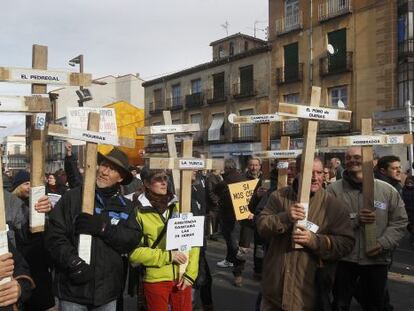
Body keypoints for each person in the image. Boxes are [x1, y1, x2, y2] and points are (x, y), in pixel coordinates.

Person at [45, 147, 142, 310]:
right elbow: (54, 235)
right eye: (104, 165)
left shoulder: (126, 206)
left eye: (112, 169)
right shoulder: (73, 197)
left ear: (121, 177)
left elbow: (131, 239)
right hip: (73, 290)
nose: (105, 171)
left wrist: (103, 229)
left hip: (107, 294)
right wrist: (73, 262)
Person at [257, 155, 355, 310]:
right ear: (297, 172)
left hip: (309, 296)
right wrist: (285, 217)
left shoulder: (334, 206)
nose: (315, 178)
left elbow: (346, 244)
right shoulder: (278, 197)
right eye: (310, 172)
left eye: (319, 173)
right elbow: (262, 226)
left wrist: (315, 241)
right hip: (275, 292)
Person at [328, 147, 408, 311]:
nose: (352, 160)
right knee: (340, 305)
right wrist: (355, 220)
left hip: (376, 259)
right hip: (344, 259)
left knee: (375, 305)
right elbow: (326, 221)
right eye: (348, 157)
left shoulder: (387, 190)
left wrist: (383, 243)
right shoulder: (333, 191)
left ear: (372, 162)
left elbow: (399, 222)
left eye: (357, 157)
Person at [129, 167, 200, 311]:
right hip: (156, 279)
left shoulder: (180, 206)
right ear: (147, 184)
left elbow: (193, 241)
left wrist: (191, 274)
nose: (164, 183)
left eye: (165, 178)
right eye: (158, 179)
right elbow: (134, 253)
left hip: (182, 277)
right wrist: (168, 256)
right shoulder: (137, 211)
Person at [11, 170, 55, 311]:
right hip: (23, 261)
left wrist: (48, 212)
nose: (29, 187)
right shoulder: (13, 206)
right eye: (26, 183)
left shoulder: (38, 202)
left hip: (40, 263)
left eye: (31, 183)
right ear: (17, 187)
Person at [214, 159, 247, 286]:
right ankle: (230, 260)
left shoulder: (230, 178)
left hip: (231, 215)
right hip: (234, 214)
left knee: (233, 241)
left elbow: (218, 188)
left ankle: (236, 269)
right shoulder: (240, 176)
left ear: (227, 168)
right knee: (231, 239)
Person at [191, 171, 213, 311]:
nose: (194, 170)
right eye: (191, 166)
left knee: (204, 278)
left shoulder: (198, 184)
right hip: (186, 242)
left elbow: (203, 206)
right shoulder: (173, 187)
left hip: (199, 240)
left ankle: (206, 305)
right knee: (195, 279)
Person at [205, 170, 222, 240]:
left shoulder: (217, 177)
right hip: (213, 203)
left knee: (216, 219)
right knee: (213, 219)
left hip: (217, 202)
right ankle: (212, 234)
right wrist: (215, 201)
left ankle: (214, 234)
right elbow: (210, 191)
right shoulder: (211, 178)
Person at [402, 176, 414, 248]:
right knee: (408, 226)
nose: (409, 184)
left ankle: (412, 242)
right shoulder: (403, 189)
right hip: (406, 211)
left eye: (411, 183)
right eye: (408, 183)